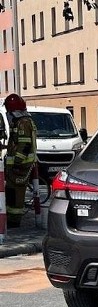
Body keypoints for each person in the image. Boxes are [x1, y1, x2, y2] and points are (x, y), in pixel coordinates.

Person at [2, 93, 38, 228]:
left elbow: (24, 144)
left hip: (20, 166)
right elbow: (17, 143)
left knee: (16, 193)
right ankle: (11, 218)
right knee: (11, 191)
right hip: (18, 165)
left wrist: (17, 161)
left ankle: (14, 220)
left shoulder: (23, 123)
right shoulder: (22, 121)